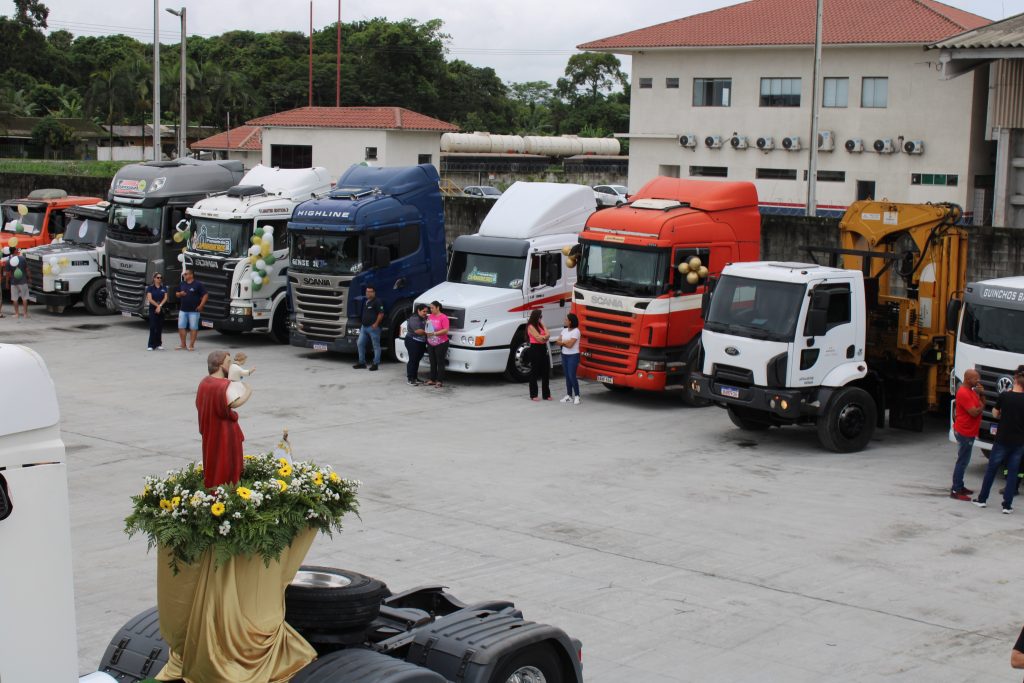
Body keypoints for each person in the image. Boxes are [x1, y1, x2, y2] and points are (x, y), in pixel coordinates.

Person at [196, 350, 252, 489]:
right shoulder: (223, 385)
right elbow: (234, 403)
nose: (231, 365)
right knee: (227, 463)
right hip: (225, 432)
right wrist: (248, 392)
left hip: (210, 430)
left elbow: (199, 403)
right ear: (221, 365)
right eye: (228, 362)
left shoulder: (204, 382)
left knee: (213, 461)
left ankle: (212, 487)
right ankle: (226, 491)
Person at [974, 368, 1024, 513]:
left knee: (991, 469)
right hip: (1018, 442)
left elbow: (995, 414)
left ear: (1015, 380)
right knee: (1013, 473)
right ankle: (1007, 506)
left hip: (1002, 439)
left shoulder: (1005, 396)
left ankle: (982, 499)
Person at [950, 368, 984, 500]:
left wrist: (981, 394)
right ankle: (956, 490)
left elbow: (982, 404)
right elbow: (974, 412)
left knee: (964, 460)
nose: (978, 381)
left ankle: (960, 485)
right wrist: (980, 407)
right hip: (965, 431)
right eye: (976, 378)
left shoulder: (972, 391)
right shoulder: (964, 392)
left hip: (970, 431)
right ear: (968, 379)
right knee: (962, 461)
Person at [352, 285, 384, 371]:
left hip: (373, 328)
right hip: (364, 327)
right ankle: (361, 362)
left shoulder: (377, 301)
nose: (368, 293)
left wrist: (376, 324)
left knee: (376, 346)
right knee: (360, 343)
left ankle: (375, 364)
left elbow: (381, 314)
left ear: (374, 292)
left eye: (370, 291)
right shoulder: (366, 301)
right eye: (367, 291)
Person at [175, 270, 208, 351]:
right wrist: (180, 294)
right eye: (183, 274)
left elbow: (205, 295)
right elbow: (176, 293)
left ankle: (191, 345)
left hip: (194, 310)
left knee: (193, 327)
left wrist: (201, 305)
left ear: (191, 275)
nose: (184, 276)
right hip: (183, 310)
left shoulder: (198, 284)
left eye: (185, 274)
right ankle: (183, 344)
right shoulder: (182, 283)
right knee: (181, 327)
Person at [555, 312, 581, 404]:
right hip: (564, 355)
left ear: (570, 321)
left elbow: (570, 345)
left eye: (566, 319)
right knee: (567, 376)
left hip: (573, 355)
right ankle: (569, 395)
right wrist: (565, 342)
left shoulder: (576, 331)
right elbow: (557, 341)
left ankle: (577, 395)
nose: (564, 321)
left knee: (572, 375)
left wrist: (563, 342)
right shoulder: (564, 330)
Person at [526, 309, 551, 401]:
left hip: (543, 348)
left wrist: (543, 324)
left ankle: (546, 394)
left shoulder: (540, 325)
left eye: (542, 317)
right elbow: (538, 339)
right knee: (535, 371)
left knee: (545, 371)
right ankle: (533, 394)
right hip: (535, 349)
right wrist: (544, 338)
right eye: (540, 316)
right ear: (536, 316)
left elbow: (548, 334)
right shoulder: (530, 326)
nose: (541, 318)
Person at [425, 301, 450, 388]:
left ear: (438, 307)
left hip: (441, 343)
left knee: (440, 362)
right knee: (432, 361)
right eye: (430, 308)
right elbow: (428, 326)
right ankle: (432, 379)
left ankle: (439, 381)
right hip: (431, 342)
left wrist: (435, 334)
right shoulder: (430, 316)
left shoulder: (443, 317)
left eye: (432, 308)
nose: (430, 310)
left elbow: (446, 330)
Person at [404, 303, 429, 386]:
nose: (425, 313)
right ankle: (410, 379)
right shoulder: (414, 318)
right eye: (423, 311)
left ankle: (415, 378)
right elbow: (418, 331)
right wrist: (429, 333)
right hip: (412, 341)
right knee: (412, 360)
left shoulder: (424, 318)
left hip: (421, 342)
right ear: (418, 310)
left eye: (426, 311)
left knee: (417, 360)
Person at [145, 273, 168, 350]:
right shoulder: (150, 288)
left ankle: (158, 343)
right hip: (153, 309)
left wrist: (160, 306)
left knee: (159, 327)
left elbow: (165, 298)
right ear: (154, 278)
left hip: (161, 309)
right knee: (153, 326)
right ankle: (151, 345)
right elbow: (150, 299)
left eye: (160, 278)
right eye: (158, 277)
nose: (159, 279)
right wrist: (157, 306)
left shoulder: (163, 287)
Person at [6, 247, 30, 320]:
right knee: (25, 297)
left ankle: (17, 314)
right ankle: (25, 314)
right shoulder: (22, 259)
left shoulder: (8, 261)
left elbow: (8, 274)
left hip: (14, 282)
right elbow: (27, 269)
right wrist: (30, 278)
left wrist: (7, 283)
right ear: (16, 251)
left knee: (15, 298)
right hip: (23, 281)